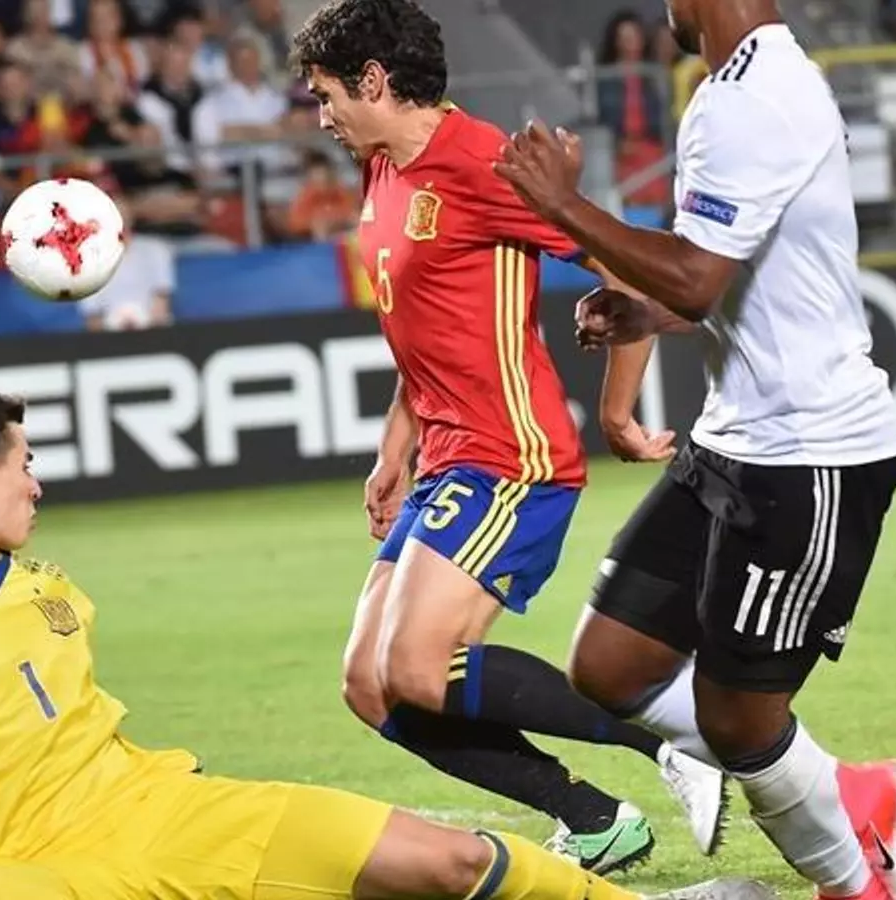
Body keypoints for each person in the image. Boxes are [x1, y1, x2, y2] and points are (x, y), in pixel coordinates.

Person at [0, 382, 778, 900]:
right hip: (40, 877)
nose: (37, 484)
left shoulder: (55, 592)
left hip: (174, 812)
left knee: (447, 860)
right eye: (24, 465)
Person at [493, 1, 896, 899]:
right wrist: (648, 311)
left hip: (809, 453)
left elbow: (695, 276)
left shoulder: (755, 96)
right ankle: (848, 790)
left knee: (738, 721)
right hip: (735, 439)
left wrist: (564, 205)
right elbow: (718, 276)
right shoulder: (737, 85)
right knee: (609, 664)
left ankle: (861, 882)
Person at [289, 0, 726, 875]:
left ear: (374, 82)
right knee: (370, 687)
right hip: (445, 459)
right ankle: (594, 819)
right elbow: (427, 326)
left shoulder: (485, 164)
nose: (322, 115)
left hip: (511, 459)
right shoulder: (382, 168)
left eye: (326, 95)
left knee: (418, 668)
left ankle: (675, 733)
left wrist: (616, 415)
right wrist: (394, 445)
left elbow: (633, 274)